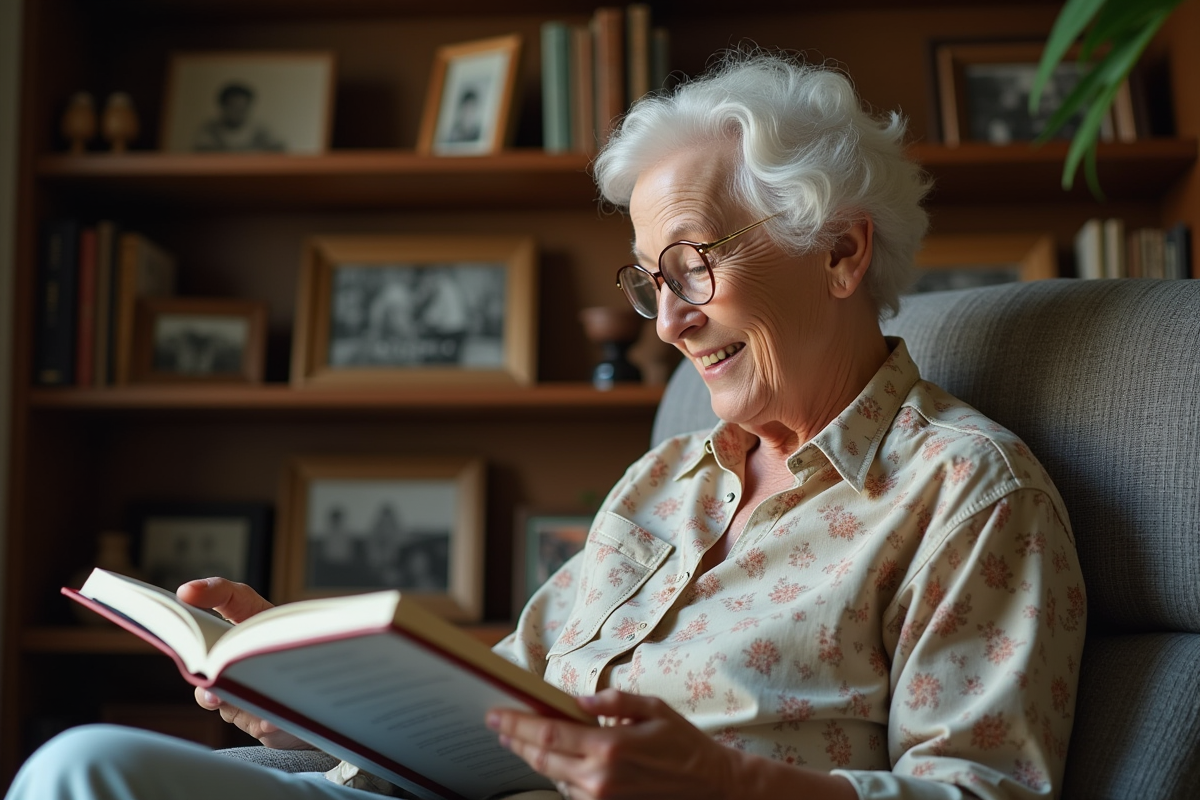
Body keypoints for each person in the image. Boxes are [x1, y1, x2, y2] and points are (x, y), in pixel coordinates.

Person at [6, 50, 1085, 800]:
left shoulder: (966, 491)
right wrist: (299, 695)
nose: (666, 319)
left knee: (82, 772)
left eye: (694, 264)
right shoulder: (664, 480)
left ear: (841, 253)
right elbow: (496, 704)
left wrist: (724, 784)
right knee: (87, 768)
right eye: (649, 280)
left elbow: (983, 788)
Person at [194, 82, 286, 152]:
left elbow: (278, 149)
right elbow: (202, 152)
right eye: (234, 107)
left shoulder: (260, 130)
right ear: (222, 106)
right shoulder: (210, 130)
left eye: (243, 108)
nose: (238, 112)